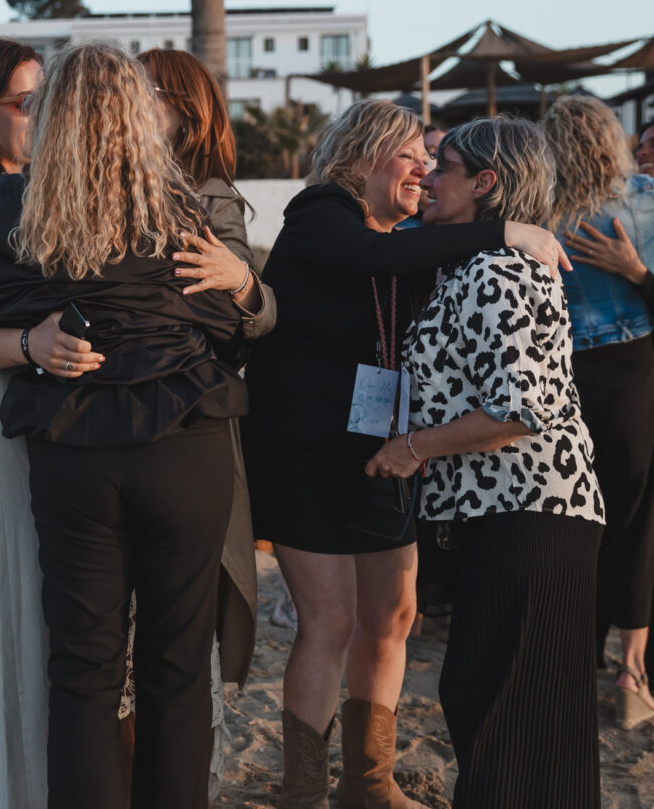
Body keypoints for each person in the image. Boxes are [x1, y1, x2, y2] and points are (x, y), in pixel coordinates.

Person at [0, 42, 248, 809]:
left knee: (84, 668)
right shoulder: (178, 208)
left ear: (52, 116)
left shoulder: (9, 209)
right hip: (185, 442)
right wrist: (243, 282)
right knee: (175, 665)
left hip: (75, 449)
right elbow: (234, 327)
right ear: (137, 118)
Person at [241, 98, 568, 809]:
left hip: (385, 453)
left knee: (393, 616)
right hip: (303, 458)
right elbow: (372, 255)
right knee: (326, 624)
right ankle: (302, 792)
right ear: (363, 156)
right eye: (410, 154)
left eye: (430, 158)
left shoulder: (414, 241)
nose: (424, 167)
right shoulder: (320, 213)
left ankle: (369, 783)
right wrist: (504, 230)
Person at [366, 115, 605, 809]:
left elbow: (519, 410)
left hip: (535, 512)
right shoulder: (476, 261)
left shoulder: (502, 271)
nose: (429, 178)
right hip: (516, 513)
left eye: (443, 166)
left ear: (486, 182)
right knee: (502, 707)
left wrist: (409, 449)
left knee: (502, 710)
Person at [137, 47, 272, 781]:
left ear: (187, 111)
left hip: (190, 419)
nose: (135, 102)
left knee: (181, 622)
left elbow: (254, 314)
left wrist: (243, 283)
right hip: (119, 428)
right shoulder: (96, 177)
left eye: (149, 92)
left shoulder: (210, 190)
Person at [543, 95, 654, 729]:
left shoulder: (538, 208)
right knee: (639, 518)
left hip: (566, 375)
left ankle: (572, 663)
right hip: (635, 368)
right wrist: (638, 272)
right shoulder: (653, 196)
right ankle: (631, 673)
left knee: (577, 517)